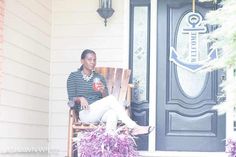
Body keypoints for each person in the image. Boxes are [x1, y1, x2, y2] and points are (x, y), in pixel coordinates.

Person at [67, 49, 154, 135]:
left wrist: (103, 90)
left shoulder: (99, 77)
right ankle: (134, 127)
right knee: (111, 99)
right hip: (85, 113)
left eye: (94, 60)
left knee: (112, 114)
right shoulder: (74, 76)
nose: (93, 62)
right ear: (82, 61)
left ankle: (109, 143)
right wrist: (80, 98)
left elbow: (105, 98)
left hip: (99, 113)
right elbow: (71, 99)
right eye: (89, 59)